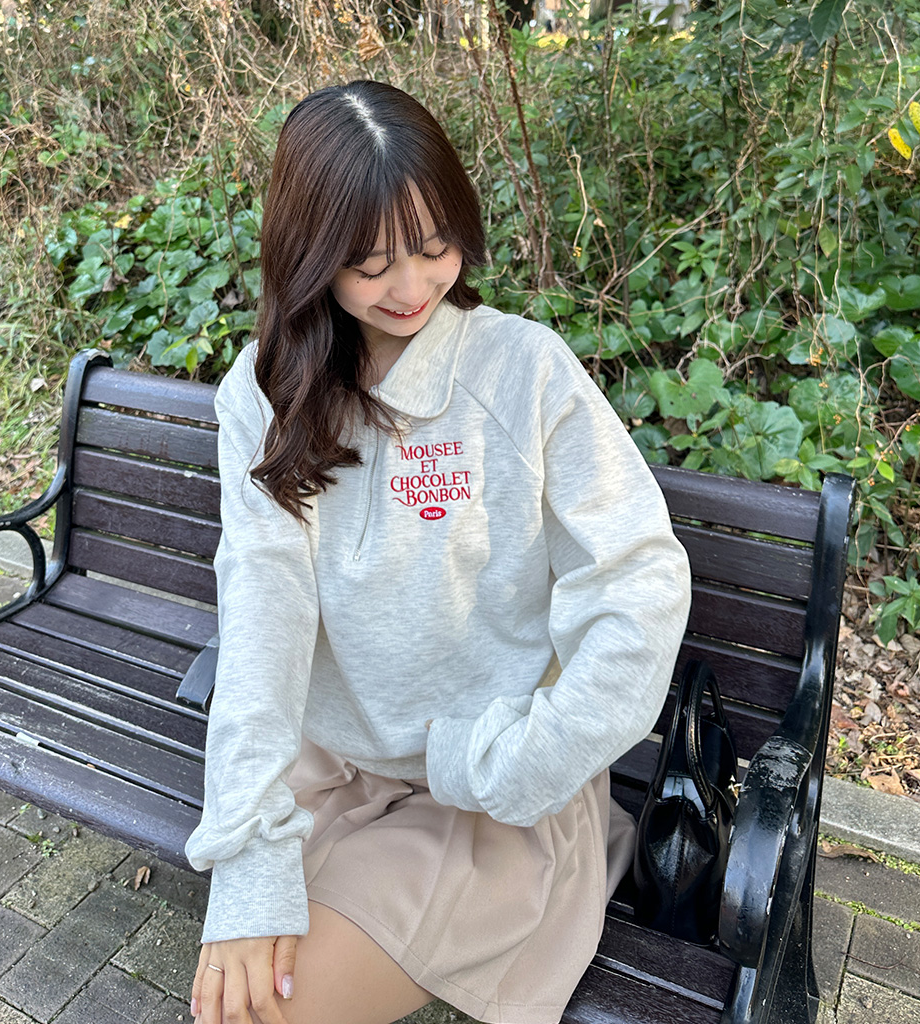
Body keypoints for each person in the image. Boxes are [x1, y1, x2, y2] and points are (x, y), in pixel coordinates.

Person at [185, 80, 691, 1024]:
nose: (412, 288)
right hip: (325, 769)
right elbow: (261, 614)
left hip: (485, 794)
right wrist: (247, 849)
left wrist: (523, 763)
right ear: (309, 254)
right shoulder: (263, 394)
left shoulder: (521, 369)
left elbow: (640, 586)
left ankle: (588, 847)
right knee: (234, 1000)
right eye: (370, 263)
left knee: (272, 1013)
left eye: (434, 247)